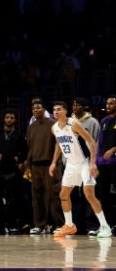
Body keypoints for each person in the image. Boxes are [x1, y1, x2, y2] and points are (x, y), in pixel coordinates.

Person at [48, 101, 111, 238]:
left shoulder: (74, 124)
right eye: (54, 110)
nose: (56, 112)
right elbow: (59, 144)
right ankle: (69, 226)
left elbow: (91, 141)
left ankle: (105, 227)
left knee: (89, 194)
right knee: (63, 195)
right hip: (71, 164)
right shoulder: (54, 128)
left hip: (84, 162)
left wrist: (93, 163)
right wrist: (53, 162)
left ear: (65, 111)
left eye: (59, 109)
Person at [26, 97, 61, 234]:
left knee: (54, 195)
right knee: (37, 196)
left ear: (44, 109)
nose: (35, 110)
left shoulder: (53, 124)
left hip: (50, 164)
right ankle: (40, 225)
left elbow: (58, 145)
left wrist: (55, 162)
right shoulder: (31, 127)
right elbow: (30, 147)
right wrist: (28, 164)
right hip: (35, 165)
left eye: (38, 108)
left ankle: (59, 224)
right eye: (33, 108)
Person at [96, 95, 116, 233]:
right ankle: (106, 225)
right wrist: (96, 159)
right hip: (103, 164)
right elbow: (100, 142)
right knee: (103, 196)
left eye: (111, 103)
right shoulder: (103, 121)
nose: (108, 105)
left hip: (115, 162)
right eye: (107, 103)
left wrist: (114, 149)